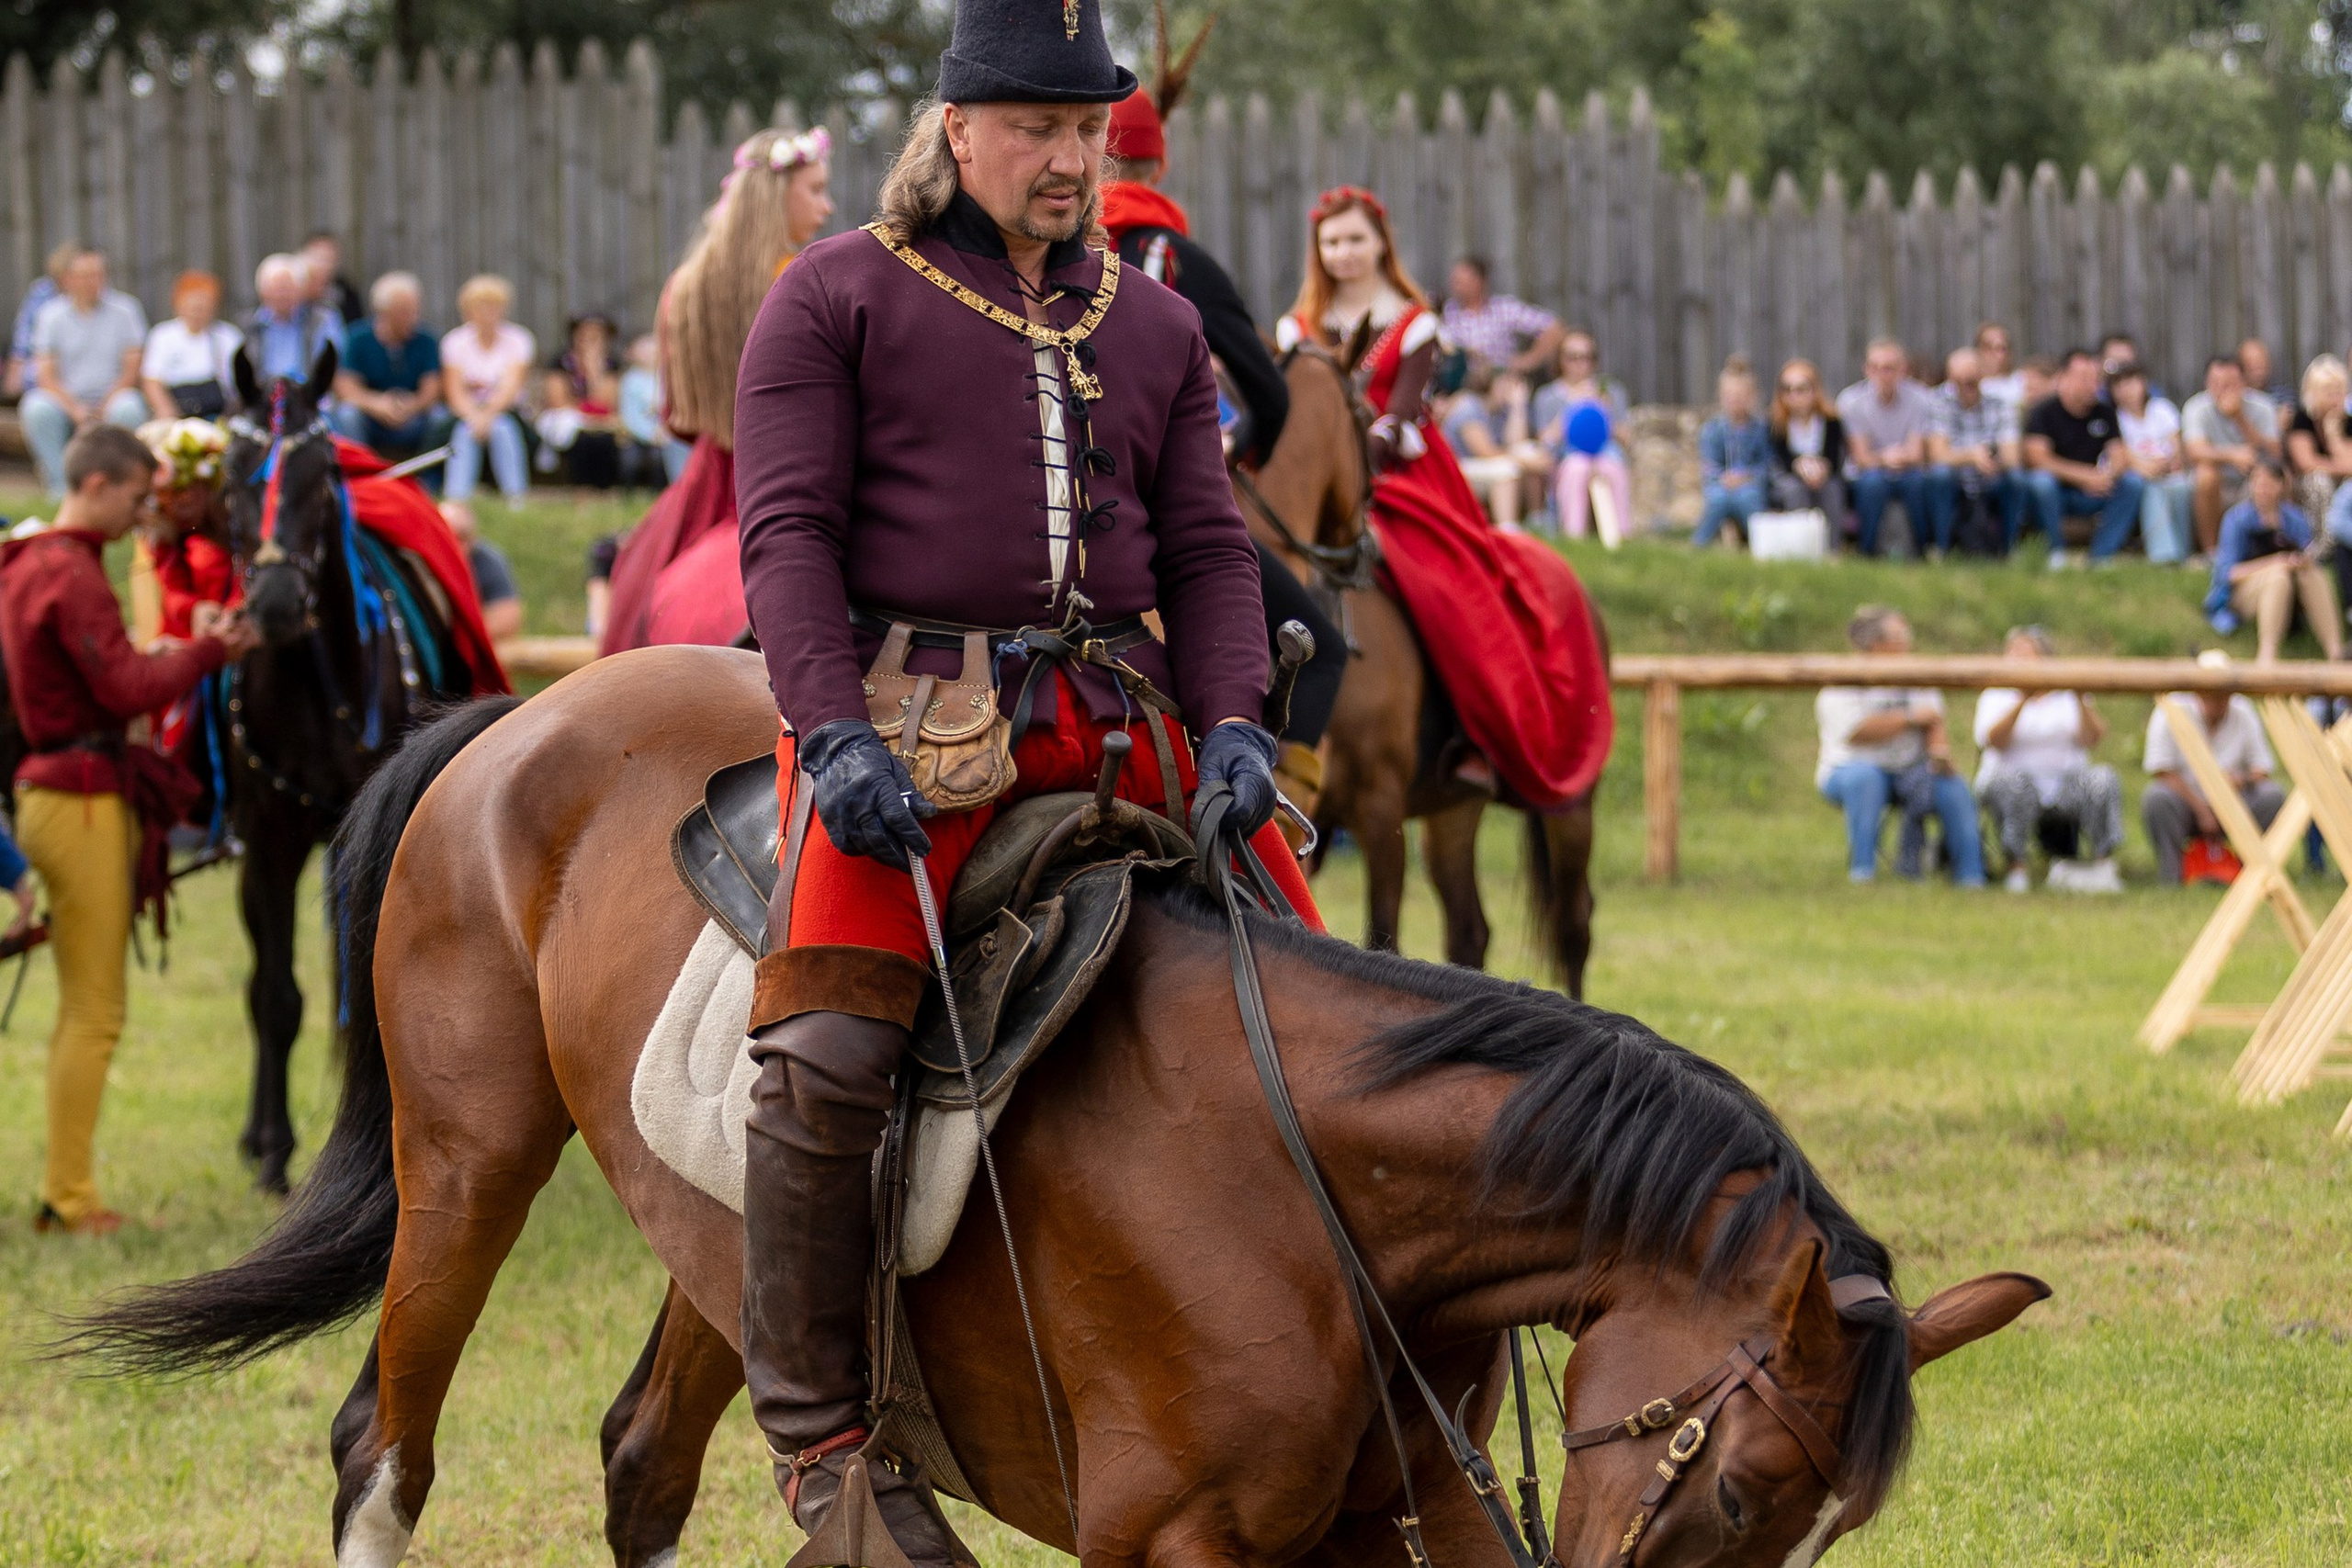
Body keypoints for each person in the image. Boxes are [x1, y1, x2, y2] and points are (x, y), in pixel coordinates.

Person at [729, 0, 1316, 1551]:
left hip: (1126, 715)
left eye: (1091, 128)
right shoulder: (834, 294)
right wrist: (832, 730)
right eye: (1044, 128)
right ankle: (823, 1441)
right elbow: (782, 535)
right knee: (831, 1056)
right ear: (958, 131)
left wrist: (1241, 719)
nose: (1077, 157)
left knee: (1324, 999)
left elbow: (1205, 549)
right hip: (911, 721)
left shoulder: (1161, 326)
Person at [0, 425, 258, 1235]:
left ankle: (64, 1192)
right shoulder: (65, 569)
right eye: (139, 496)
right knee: (94, 1008)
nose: (144, 514)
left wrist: (173, 648)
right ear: (102, 483)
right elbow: (123, 687)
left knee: (85, 1005)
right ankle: (67, 1198)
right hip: (77, 797)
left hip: (56, 791)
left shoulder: (33, 561)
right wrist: (211, 650)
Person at [1101, 51, 1341, 828]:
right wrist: (1243, 452)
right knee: (1324, 646)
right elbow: (1267, 393)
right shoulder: (1175, 261)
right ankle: (1280, 821)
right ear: (1158, 166)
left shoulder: (1028, 252)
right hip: (1155, 505)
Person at [598, 126, 833, 653]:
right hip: (794, 472)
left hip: (707, 479)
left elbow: (678, 419)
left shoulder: (685, 288)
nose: (827, 206)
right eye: (816, 190)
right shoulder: (808, 283)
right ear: (778, 195)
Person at [1814, 605, 1985, 886]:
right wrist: (1909, 718)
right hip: (1848, 771)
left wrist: (1940, 756)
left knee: (1953, 787)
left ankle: (1971, 877)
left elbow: (1934, 719)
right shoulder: (1842, 679)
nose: (1908, 640)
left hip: (1911, 771)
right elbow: (1858, 731)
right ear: (1877, 644)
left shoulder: (1916, 675)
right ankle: (1862, 871)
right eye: (1901, 635)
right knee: (1866, 778)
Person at [1972, 626, 2122, 894]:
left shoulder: (2067, 694)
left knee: (2103, 779)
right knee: (2014, 784)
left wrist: (2078, 696)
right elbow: (1995, 740)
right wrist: (2023, 699)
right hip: (2012, 781)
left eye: (2025, 653)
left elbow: (2093, 738)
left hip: (2065, 784)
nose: (2015, 659)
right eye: (2012, 652)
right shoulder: (1997, 693)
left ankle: (2103, 867)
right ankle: (2016, 868)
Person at [20, 248, 149, 500]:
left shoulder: (126, 310)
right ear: (68, 279)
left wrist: (104, 404)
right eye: (87, 275)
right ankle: (62, 488)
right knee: (35, 407)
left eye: (99, 274)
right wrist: (75, 409)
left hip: (112, 397)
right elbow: (45, 374)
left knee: (130, 407)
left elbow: (133, 368)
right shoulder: (50, 315)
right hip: (67, 402)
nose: (94, 281)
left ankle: (120, 485)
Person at [2143, 667, 2283, 886]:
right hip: (2187, 802)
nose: (2216, 702)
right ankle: (2171, 877)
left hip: (2235, 802)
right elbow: (2161, 770)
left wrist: (2241, 781)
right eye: (2210, 695)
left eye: (2222, 695)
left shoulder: (2243, 711)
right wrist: (2201, 809)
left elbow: (2262, 768)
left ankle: (2252, 873)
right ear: (2197, 693)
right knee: (2157, 797)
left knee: (2272, 796)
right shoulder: (2172, 708)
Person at [2206, 457, 2340, 662]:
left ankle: (2336, 654)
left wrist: (2301, 562)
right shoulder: (2237, 519)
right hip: (2245, 593)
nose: (2262, 489)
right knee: (2279, 576)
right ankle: (2267, 656)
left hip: (2293, 592)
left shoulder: (2294, 519)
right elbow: (2228, 574)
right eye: (2258, 483)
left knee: (2312, 573)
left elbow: (2308, 554)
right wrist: (2277, 562)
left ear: (2281, 486)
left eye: (2268, 483)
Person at [2020, 348, 2144, 565]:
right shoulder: (2043, 412)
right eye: (2085, 379)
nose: (2093, 385)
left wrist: (2107, 476)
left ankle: (2101, 556)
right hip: (2058, 492)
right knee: (2041, 483)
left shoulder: (2104, 412)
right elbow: (2037, 459)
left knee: (2132, 483)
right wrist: (2083, 476)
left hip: (2094, 490)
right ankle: (2055, 553)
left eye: (2096, 379)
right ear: (2064, 378)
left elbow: (2119, 454)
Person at [1837, 337, 1943, 556]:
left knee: (1918, 482)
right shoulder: (1851, 401)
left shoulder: (1921, 398)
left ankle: (1923, 550)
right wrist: (1885, 458)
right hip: (1869, 471)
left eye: (1889, 368)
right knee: (1871, 483)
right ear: (1866, 370)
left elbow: (1917, 453)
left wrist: (1895, 458)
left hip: (1909, 469)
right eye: (1875, 368)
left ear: (1903, 369)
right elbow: (1861, 458)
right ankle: (1866, 551)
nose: (1882, 375)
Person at [331, 271, 450, 462]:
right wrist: (376, 404)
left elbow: (432, 389)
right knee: (347, 414)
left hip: (414, 416)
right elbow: (346, 387)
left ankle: (425, 475)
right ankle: (362, 469)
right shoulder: (358, 338)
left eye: (415, 310)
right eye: (404, 311)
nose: (413, 317)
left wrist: (413, 405)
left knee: (440, 417)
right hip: (371, 417)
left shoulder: (426, 340)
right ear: (383, 312)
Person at [439, 274, 535, 504]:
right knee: (464, 430)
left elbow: (511, 388)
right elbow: (455, 392)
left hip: (507, 410)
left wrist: (487, 415)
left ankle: (516, 496)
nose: (488, 313)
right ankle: (457, 497)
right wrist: (475, 417)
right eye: (481, 306)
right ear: (468, 310)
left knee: (502, 428)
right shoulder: (455, 342)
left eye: (494, 307)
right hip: (466, 412)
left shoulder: (519, 339)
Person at [1532, 328, 1632, 539]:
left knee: (1612, 468)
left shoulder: (1611, 391)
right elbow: (1545, 443)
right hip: (1568, 456)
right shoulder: (1547, 397)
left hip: (1606, 452)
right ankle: (1574, 536)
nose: (1580, 364)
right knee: (1576, 469)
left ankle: (1622, 536)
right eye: (1572, 357)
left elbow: (1626, 439)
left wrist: (1604, 413)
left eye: (1586, 357)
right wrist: (1570, 414)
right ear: (1560, 361)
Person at [1926, 346, 2026, 555]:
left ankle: (2010, 549)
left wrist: (1993, 463)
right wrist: (1971, 456)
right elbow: (1938, 454)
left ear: (1981, 376)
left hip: (1990, 477)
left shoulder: (2000, 405)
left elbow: (2012, 457)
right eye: (1958, 381)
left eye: (1970, 380)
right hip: (1956, 479)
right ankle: (1942, 549)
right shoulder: (1940, 403)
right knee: (1939, 475)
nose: (1964, 386)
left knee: (2015, 478)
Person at [2183, 354, 2280, 555]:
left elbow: (2275, 454)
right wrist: (2232, 455)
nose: (2224, 389)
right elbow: (2194, 451)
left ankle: (2270, 546)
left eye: (2231, 383)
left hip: (2252, 481)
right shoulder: (2196, 407)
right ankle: (2211, 552)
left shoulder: (2263, 406)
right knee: (2206, 474)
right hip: (2216, 488)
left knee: (2278, 477)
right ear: (2207, 383)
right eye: (2217, 383)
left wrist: (2239, 418)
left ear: (2244, 382)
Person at [2111, 363, 2193, 563]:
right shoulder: (2113, 418)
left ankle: (2183, 551)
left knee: (2181, 486)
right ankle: (2163, 555)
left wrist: (2166, 464)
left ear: (2143, 383)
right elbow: (2123, 455)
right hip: (2139, 477)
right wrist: (2148, 468)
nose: (2126, 391)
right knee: (2152, 489)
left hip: (2169, 472)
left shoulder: (2162, 410)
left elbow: (2176, 447)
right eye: (2119, 386)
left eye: (2130, 383)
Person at [534, 313, 627, 487]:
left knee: (604, 439)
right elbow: (557, 401)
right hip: (570, 421)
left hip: (600, 422)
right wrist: (586, 412)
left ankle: (604, 489)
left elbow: (607, 403)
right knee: (582, 439)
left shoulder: (611, 365)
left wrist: (594, 374)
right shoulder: (560, 363)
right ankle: (580, 488)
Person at [137, 272, 241, 421]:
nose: (197, 312)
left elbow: (237, 387)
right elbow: (152, 380)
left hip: (218, 414)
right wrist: (166, 411)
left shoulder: (228, 337)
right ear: (178, 304)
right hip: (176, 410)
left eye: (203, 306)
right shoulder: (163, 335)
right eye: (192, 305)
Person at [1442, 255, 1563, 381]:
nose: (1454, 286)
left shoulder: (1504, 309)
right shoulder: (1446, 312)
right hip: (1460, 385)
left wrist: (1528, 360)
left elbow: (1554, 327)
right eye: (1454, 281)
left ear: (1479, 282)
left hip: (1500, 381)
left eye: (1460, 281)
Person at [1693, 358, 1770, 547]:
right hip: (1721, 485)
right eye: (1730, 396)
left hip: (1751, 485)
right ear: (1721, 396)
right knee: (1717, 499)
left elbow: (1767, 464)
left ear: (1753, 397)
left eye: (1741, 396)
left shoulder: (1761, 430)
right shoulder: (1713, 430)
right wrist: (1724, 478)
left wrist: (1747, 476)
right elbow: (1708, 466)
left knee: (1748, 497)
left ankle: (1760, 544)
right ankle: (1699, 543)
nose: (1735, 401)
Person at [1767, 356, 1848, 524]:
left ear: (1814, 390)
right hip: (1789, 478)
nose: (1794, 396)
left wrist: (1821, 469)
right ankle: (1800, 544)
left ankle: (1832, 547)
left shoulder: (1831, 422)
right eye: (1787, 390)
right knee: (1794, 490)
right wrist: (1799, 466)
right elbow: (1779, 460)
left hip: (1824, 477)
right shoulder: (1777, 424)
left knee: (1832, 490)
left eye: (1801, 389)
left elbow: (1835, 458)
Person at [244, 253, 342, 383]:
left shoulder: (322, 320)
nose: (282, 295)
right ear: (262, 291)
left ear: (300, 290)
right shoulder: (248, 325)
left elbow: (331, 366)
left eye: (287, 288)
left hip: (308, 394)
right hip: (263, 396)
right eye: (277, 288)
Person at [437, 500, 522, 640]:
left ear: (474, 536)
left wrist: (459, 638)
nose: (456, 544)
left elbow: (507, 618)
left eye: (463, 536)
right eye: (447, 536)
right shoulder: (419, 560)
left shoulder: (488, 561)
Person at [2286, 354, 2352, 524]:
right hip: (2306, 484)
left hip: (2339, 478)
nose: (2335, 399)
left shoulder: (2347, 420)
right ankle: (2324, 544)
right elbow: (2307, 464)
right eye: (2329, 393)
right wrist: (2341, 468)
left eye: (2339, 392)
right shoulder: (2303, 418)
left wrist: (2333, 433)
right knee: (2319, 481)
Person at [6, 243, 75, 400]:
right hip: (46, 357)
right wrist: (15, 370)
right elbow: (24, 336)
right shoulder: (42, 292)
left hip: (75, 361)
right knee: (32, 374)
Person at [616, 331, 684, 487]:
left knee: (662, 459)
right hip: (637, 435)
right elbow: (630, 416)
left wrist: (666, 430)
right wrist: (651, 434)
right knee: (630, 460)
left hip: (666, 433)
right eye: (644, 351)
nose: (650, 355)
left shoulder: (668, 377)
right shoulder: (630, 381)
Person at [299, 231, 366, 329]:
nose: (323, 265)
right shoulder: (293, 297)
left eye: (329, 259)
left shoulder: (347, 294)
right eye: (319, 258)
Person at [1974, 321, 2024, 408]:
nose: (1998, 355)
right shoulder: (1970, 387)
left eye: (2002, 348)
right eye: (1989, 347)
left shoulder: (2024, 383)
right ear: (1978, 351)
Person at [2239, 335, 2294, 409]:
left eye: (2262, 366)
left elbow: (2287, 413)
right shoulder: (2237, 397)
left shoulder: (2283, 395)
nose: (2259, 373)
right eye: (2253, 367)